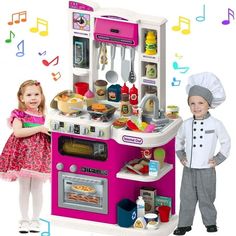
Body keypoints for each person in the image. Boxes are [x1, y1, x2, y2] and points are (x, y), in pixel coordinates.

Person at [173, 72, 231, 235]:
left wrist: (219, 158)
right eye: (192, 103)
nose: (196, 107)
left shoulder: (216, 123)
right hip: (189, 169)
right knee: (186, 197)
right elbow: (179, 140)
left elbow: (226, 142)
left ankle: (210, 223)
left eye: (200, 102)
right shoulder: (185, 124)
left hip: (207, 169)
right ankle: (184, 224)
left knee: (207, 197)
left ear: (209, 104)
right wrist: (181, 156)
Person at [0, 80, 51, 234]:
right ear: (22, 98)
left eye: (36, 94)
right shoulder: (19, 114)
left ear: (41, 96)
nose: (33, 97)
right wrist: (40, 129)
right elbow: (18, 133)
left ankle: (35, 220)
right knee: (24, 187)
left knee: (37, 188)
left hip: (38, 156)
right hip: (23, 156)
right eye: (29, 95)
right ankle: (24, 220)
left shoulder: (43, 115)